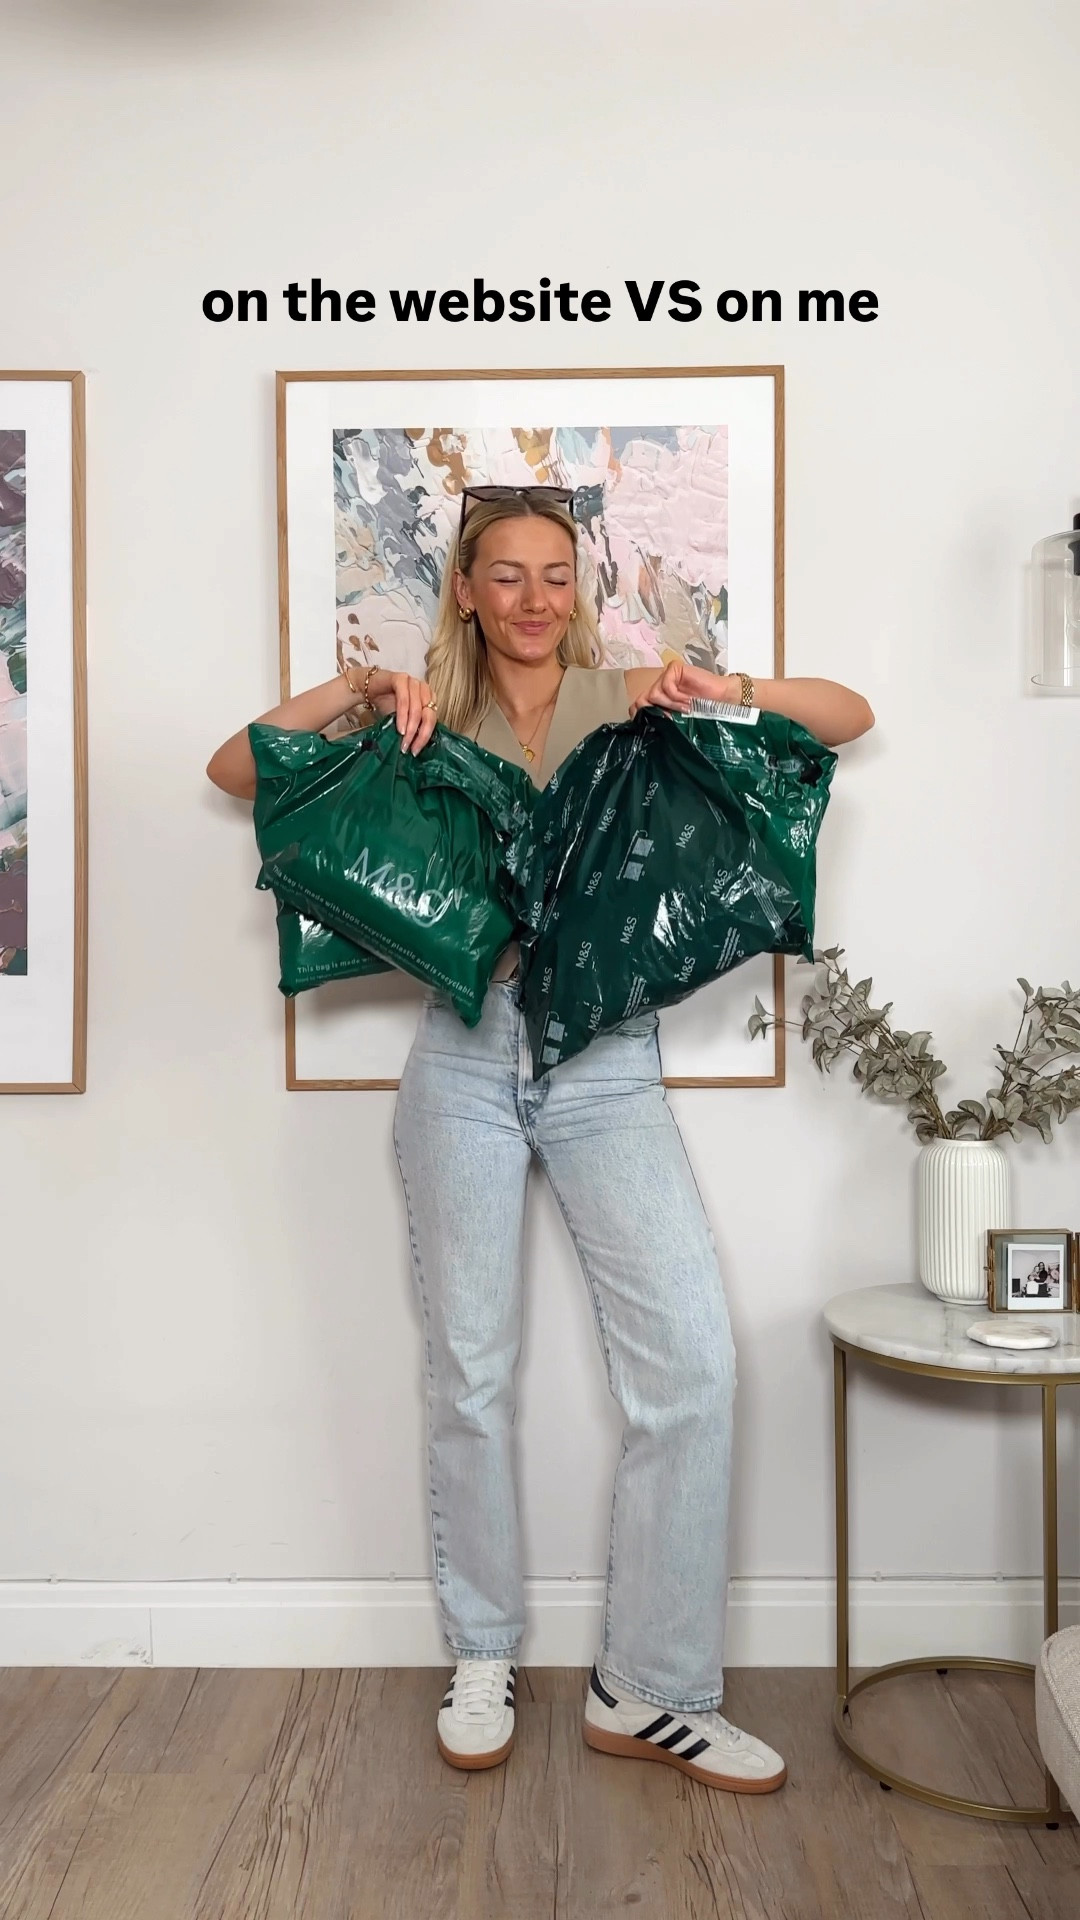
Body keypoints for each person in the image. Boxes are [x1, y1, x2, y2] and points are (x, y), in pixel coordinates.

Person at [207, 485, 874, 1793]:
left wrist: (721, 680)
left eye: (554, 575)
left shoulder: (625, 695)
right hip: (461, 1053)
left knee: (692, 1363)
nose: (531, 600)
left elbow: (848, 717)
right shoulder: (424, 715)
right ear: (465, 587)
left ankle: (655, 1687)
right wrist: (353, 696)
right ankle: (483, 1651)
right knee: (469, 1369)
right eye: (504, 575)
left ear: (582, 588)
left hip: (604, 1060)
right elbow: (237, 775)